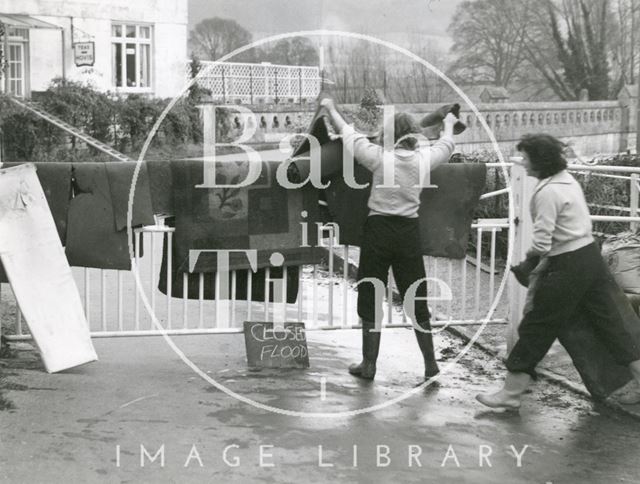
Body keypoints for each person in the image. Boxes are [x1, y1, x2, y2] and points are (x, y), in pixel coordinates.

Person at [476, 133, 640, 409]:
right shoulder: (567, 181)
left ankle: (511, 393)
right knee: (614, 322)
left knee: (538, 325)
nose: (523, 163)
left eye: (526, 158)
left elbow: (542, 239)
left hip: (568, 264)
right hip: (590, 257)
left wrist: (529, 263)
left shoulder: (547, 192)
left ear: (539, 160)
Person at [320, 96, 458, 381]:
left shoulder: (379, 158)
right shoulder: (423, 160)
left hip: (378, 232)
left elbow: (348, 134)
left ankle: (368, 364)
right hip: (408, 233)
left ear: (389, 135)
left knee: (371, 294)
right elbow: (447, 145)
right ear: (413, 137)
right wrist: (449, 124)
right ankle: (430, 364)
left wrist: (331, 108)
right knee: (416, 299)